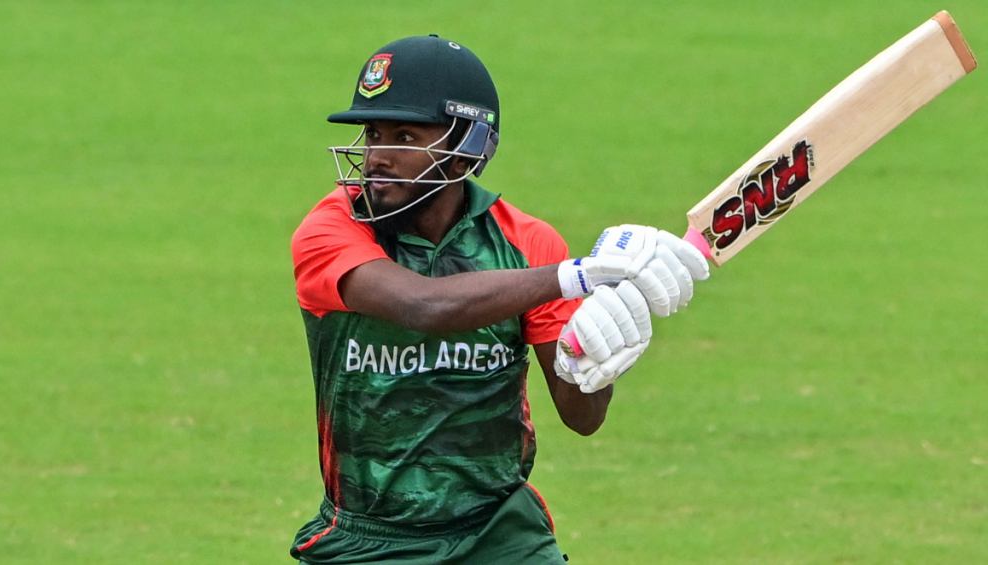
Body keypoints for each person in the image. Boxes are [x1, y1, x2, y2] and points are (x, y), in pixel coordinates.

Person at [289, 35, 709, 565]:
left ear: (466, 144)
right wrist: (578, 276)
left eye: (404, 135)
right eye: (373, 133)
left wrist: (603, 339)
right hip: (369, 540)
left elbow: (583, 416)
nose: (377, 156)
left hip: (500, 537)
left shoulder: (528, 246)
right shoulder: (332, 229)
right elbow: (427, 307)